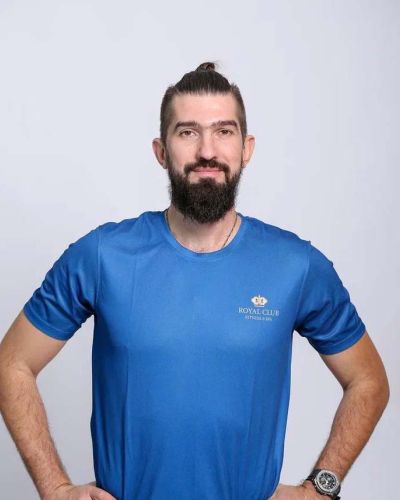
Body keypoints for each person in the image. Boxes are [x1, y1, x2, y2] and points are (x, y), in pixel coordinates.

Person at [0, 62, 389, 500]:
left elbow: (368, 381)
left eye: (224, 131)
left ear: (246, 148)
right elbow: (11, 364)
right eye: (187, 132)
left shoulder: (296, 266)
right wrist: (54, 488)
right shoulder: (102, 256)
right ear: (161, 151)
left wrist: (320, 488)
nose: (207, 150)